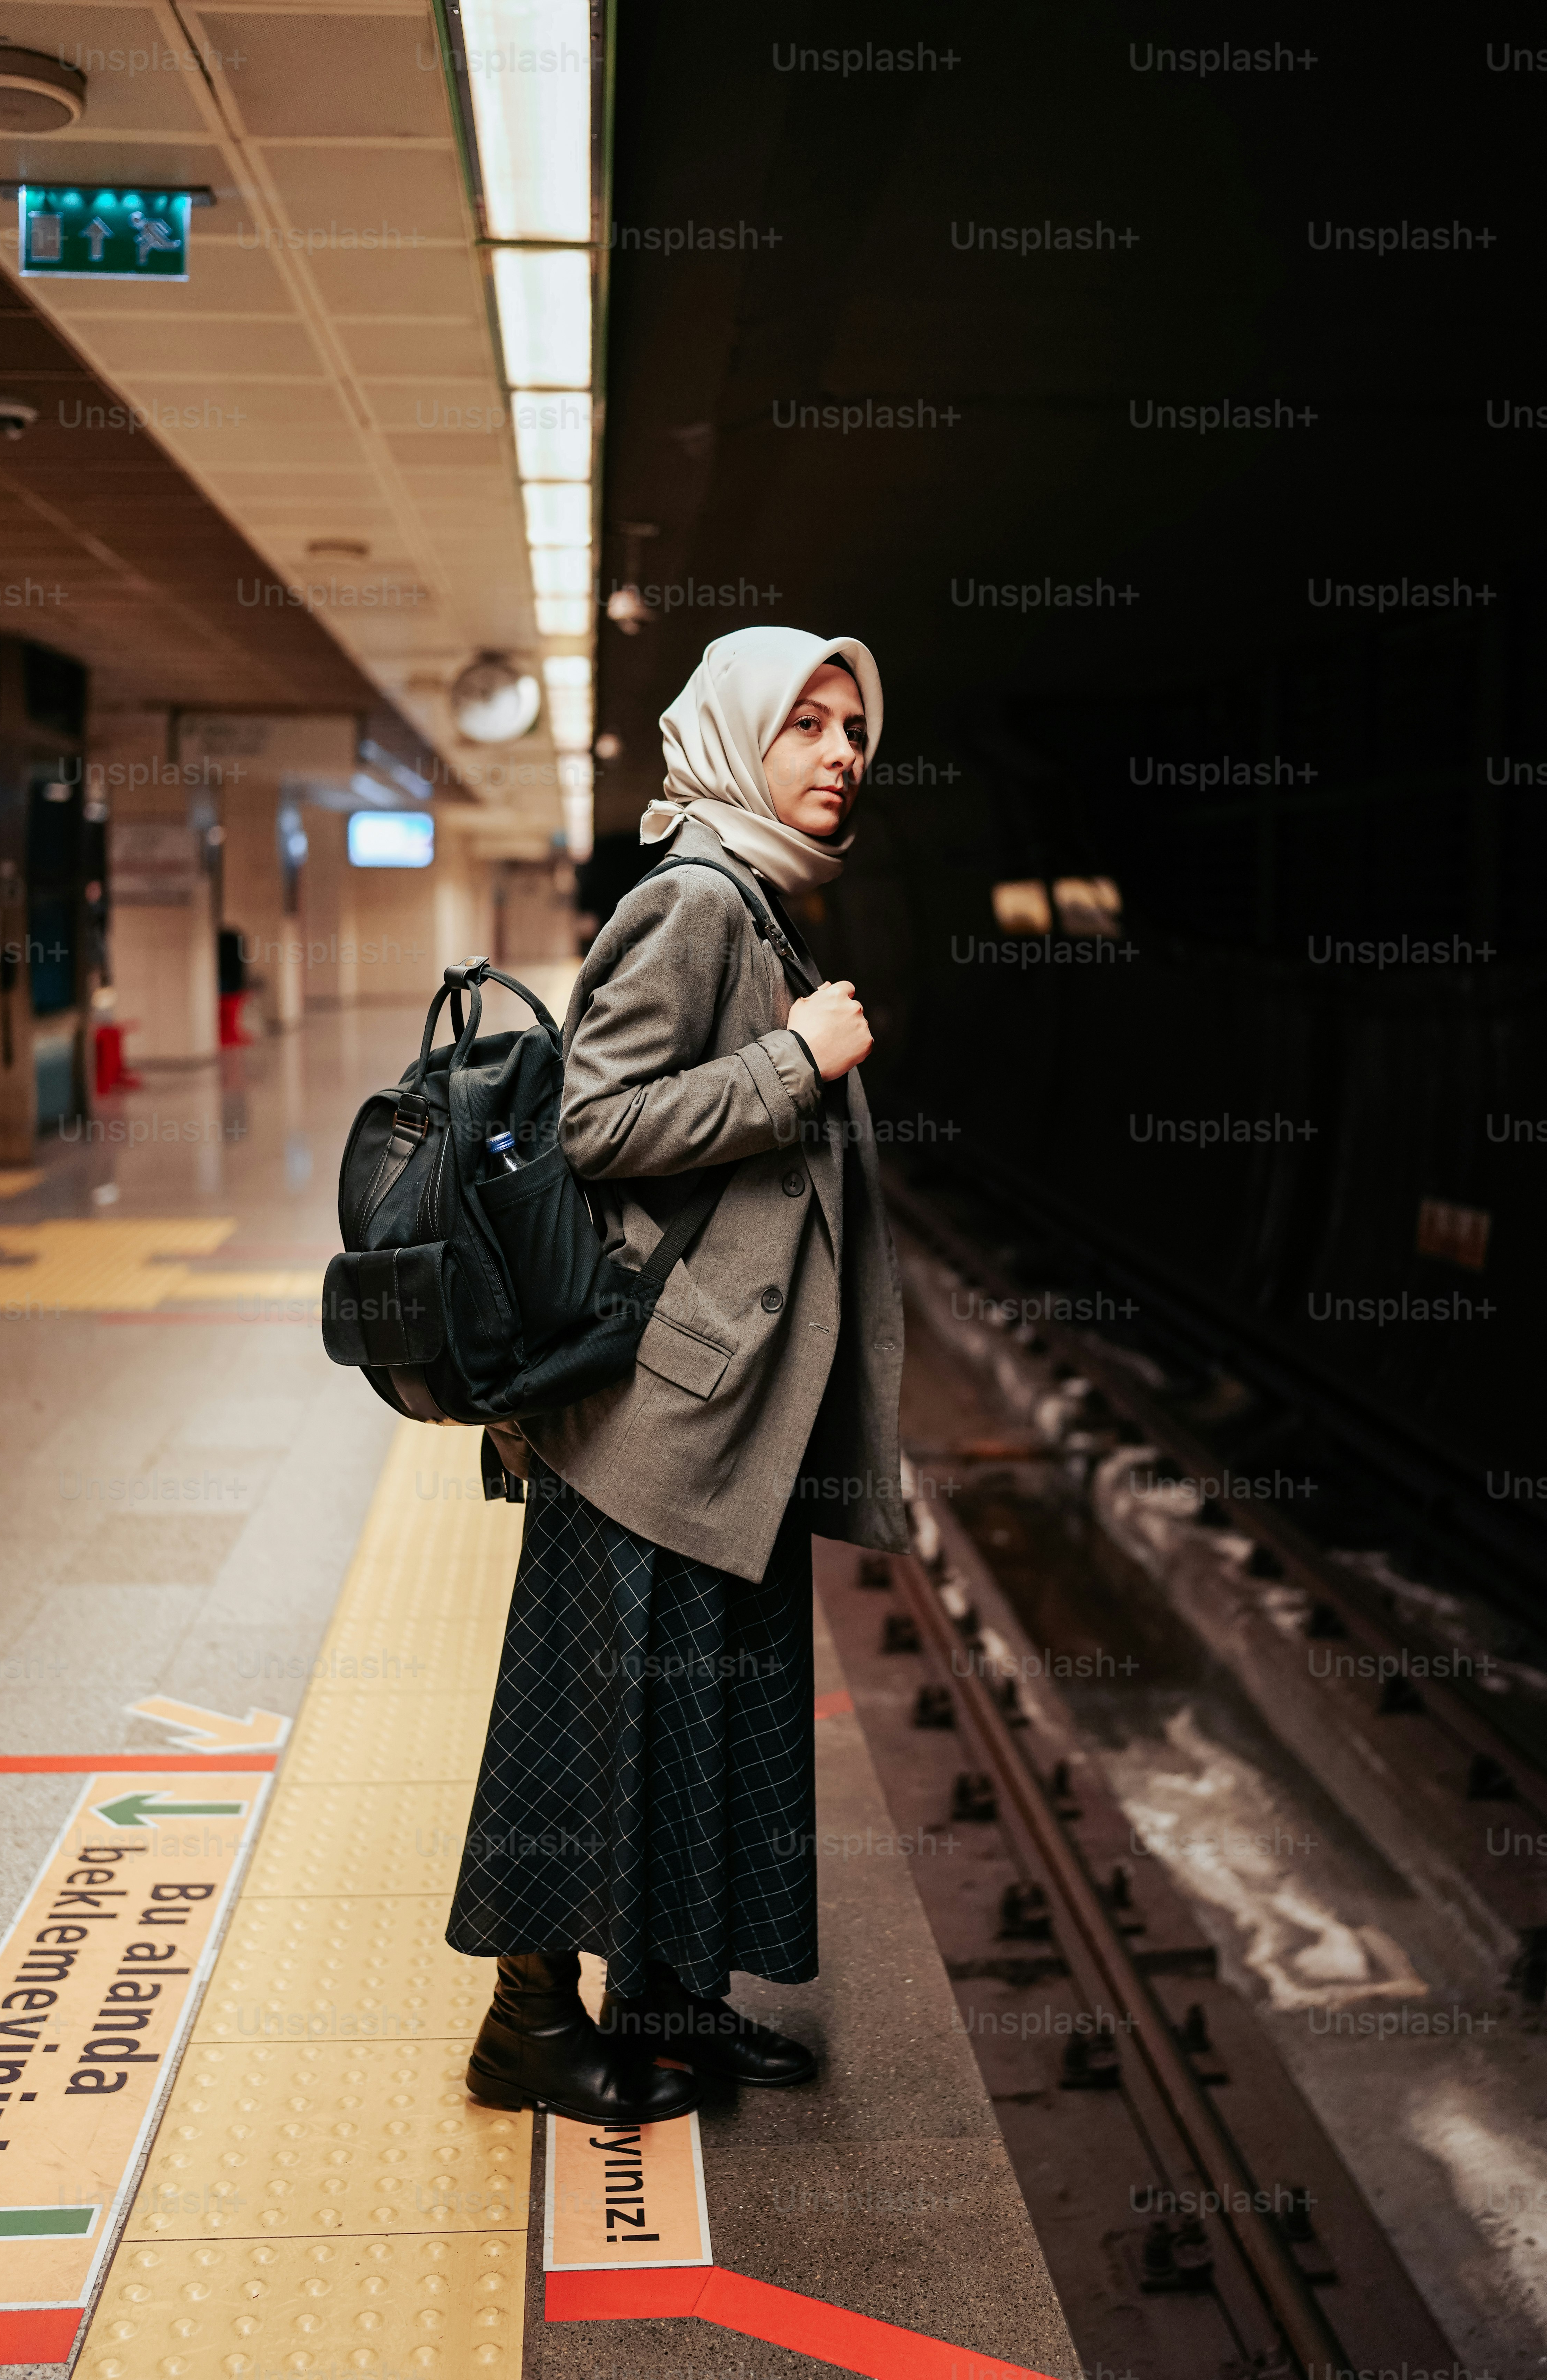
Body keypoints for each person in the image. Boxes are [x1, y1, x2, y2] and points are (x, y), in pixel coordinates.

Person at [445, 625, 907, 2124]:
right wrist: (795, 1061)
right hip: (646, 1415)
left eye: (853, 729)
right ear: (733, 742)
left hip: (728, 1421)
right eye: (809, 727)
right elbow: (601, 1121)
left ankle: (666, 1997)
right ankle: (525, 2025)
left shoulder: (761, 903)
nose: (842, 753)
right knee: (588, 1718)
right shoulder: (696, 901)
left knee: (699, 1717)